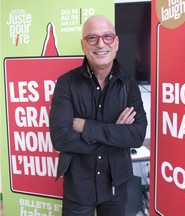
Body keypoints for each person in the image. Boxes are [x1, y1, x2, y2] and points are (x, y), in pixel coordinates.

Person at [49, 15, 147, 216]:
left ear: (116, 42)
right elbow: (61, 139)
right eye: (92, 38)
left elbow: (136, 136)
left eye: (108, 37)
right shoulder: (65, 83)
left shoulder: (129, 85)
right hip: (78, 186)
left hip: (116, 185)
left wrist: (85, 126)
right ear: (83, 45)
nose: (101, 43)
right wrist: (116, 134)